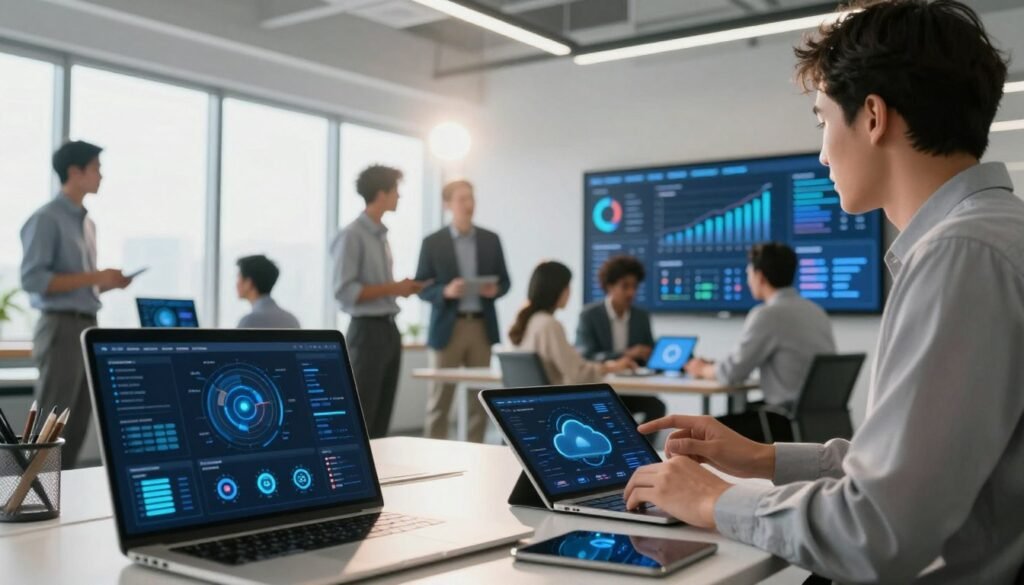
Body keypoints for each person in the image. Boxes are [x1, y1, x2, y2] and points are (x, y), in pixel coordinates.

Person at [623, 2, 1024, 582]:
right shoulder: (994, 232)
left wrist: (713, 500)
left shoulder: (960, 256)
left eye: (821, 122)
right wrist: (762, 459)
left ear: (873, 116)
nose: (821, 152)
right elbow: (914, 471)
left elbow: (878, 530)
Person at [20, 140, 133, 468]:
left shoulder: (87, 223)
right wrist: (94, 276)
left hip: (87, 324)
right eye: (96, 168)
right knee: (51, 423)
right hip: (60, 326)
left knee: (78, 420)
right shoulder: (46, 218)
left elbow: (78, 286)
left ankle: (59, 500)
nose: (101, 175)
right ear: (75, 171)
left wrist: (105, 282)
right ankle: (30, 502)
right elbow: (34, 280)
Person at [685, 242, 835, 440]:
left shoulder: (767, 315)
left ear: (760, 276)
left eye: (749, 274)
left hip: (782, 423)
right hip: (818, 423)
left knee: (695, 434)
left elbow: (731, 373)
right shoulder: (816, 311)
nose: (748, 281)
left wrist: (701, 369)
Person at [331, 165, 427, 438]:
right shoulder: (352, 235)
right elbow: (344, 290)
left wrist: (399, 289)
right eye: (396, 191)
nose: (399, 197)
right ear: (381, 194)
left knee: (383, 415)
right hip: (366, 331)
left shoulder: (381, 236)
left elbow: (378, 288)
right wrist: (394, 287)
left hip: (388, 329)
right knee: (363, 413)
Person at [415, 180, 510, 442]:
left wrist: (496, 289)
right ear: (447, 204)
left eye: (471, 198)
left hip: (481, 327)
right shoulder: (433, 242)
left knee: (478, 400)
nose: (469, 204)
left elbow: (506, 281)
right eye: (462, 199)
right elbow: (422, 287)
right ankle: (432, 459)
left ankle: (475, 456)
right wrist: (445, 291)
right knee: (440, 400)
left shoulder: (491, 240)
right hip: (448, 326)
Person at [509, 261, 636, 384]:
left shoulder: (530, 321)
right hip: (555, 401)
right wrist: (610, 367)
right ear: (556, 289)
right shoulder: (549, 325)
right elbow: (578, 374)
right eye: (568, 287)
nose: (570, 292)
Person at [575, 255, 665, 422]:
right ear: (610, 286)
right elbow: (586, 355)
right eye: (625, 286)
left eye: (635, 287)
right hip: (600, 388)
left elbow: (650, 353)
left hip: (631, 388)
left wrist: (650, 354)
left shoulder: (641, 316)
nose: (632, 292)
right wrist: (627, 354)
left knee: (656, 407)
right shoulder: (589, 315)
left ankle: (642, 446)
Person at [235, 254, 300, 329]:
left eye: (239, 278)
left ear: (248, 283)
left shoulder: (248, 322)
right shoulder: (292, 320)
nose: (236, 284)